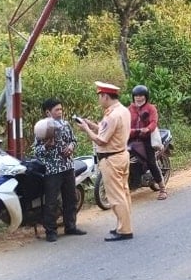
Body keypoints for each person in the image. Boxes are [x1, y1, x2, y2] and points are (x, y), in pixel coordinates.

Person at [75, 81, 133, 241]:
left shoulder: (112, 115)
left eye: (100, 97)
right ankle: (123, 225)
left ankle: (125, 230)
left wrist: (86, 130)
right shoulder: (122, 110)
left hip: (111, 158)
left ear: (106, 96)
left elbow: (101, 140)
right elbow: (106, 129)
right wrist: (92, 125)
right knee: (124, 192)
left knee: (116, 196)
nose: (99, 100)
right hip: (121, 155)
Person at [32, 98, 86, 242]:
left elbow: (74, 140)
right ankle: (51, 231)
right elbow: (37, 151)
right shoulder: (41, 128)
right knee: (51, 202)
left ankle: (71, 226)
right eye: (57, 110)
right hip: (52, 169)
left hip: (68, 167)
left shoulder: (66, 124)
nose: (60, 112)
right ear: (48, 112)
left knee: (71, 198)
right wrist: (46, 146)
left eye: (61, 109)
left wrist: (71, 147)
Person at [128, 84, 167, 200]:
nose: (138, 98)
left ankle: (162, 189)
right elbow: (123, 120)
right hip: (132, 137)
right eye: (136, 96)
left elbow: (153, 122)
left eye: (141, 96)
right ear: (133, 97)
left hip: (146, 138)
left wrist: (148, 129)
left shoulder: (150, 108)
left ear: (146, 97)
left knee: (151, 162)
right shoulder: (130, 109)